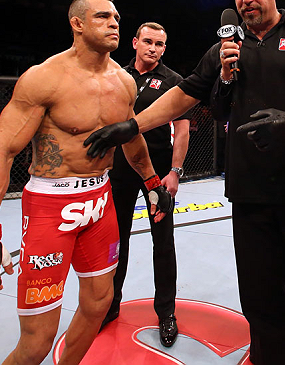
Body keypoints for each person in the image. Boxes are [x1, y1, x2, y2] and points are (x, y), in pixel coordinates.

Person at [84, 0, 285, 365]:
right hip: (250, 198)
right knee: (261, 308)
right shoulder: (224, 50)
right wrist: (131, 126)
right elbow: (184, 95)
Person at [0, 0, 173, 365]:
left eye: (116, 18)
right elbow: (0, 149)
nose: (113, 23)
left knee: (99, 303)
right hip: (52, 206)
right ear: (77, 23)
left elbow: (131, 139)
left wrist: (151, 183)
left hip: (100, 202)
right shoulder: (45, 78)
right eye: (102, 17)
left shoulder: (124, 81)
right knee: (37, 342)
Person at [100, 22, 191, 348]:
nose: (154, 48)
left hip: (158, 173)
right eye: (149, 42)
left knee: (163, 243)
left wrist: (176, 171)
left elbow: (181, 131)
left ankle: (166, 312)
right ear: (135, 42)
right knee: (115, 241)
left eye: (160, 44)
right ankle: (109, 306)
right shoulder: (116, 76)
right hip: (120, 172)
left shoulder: (173, 82)